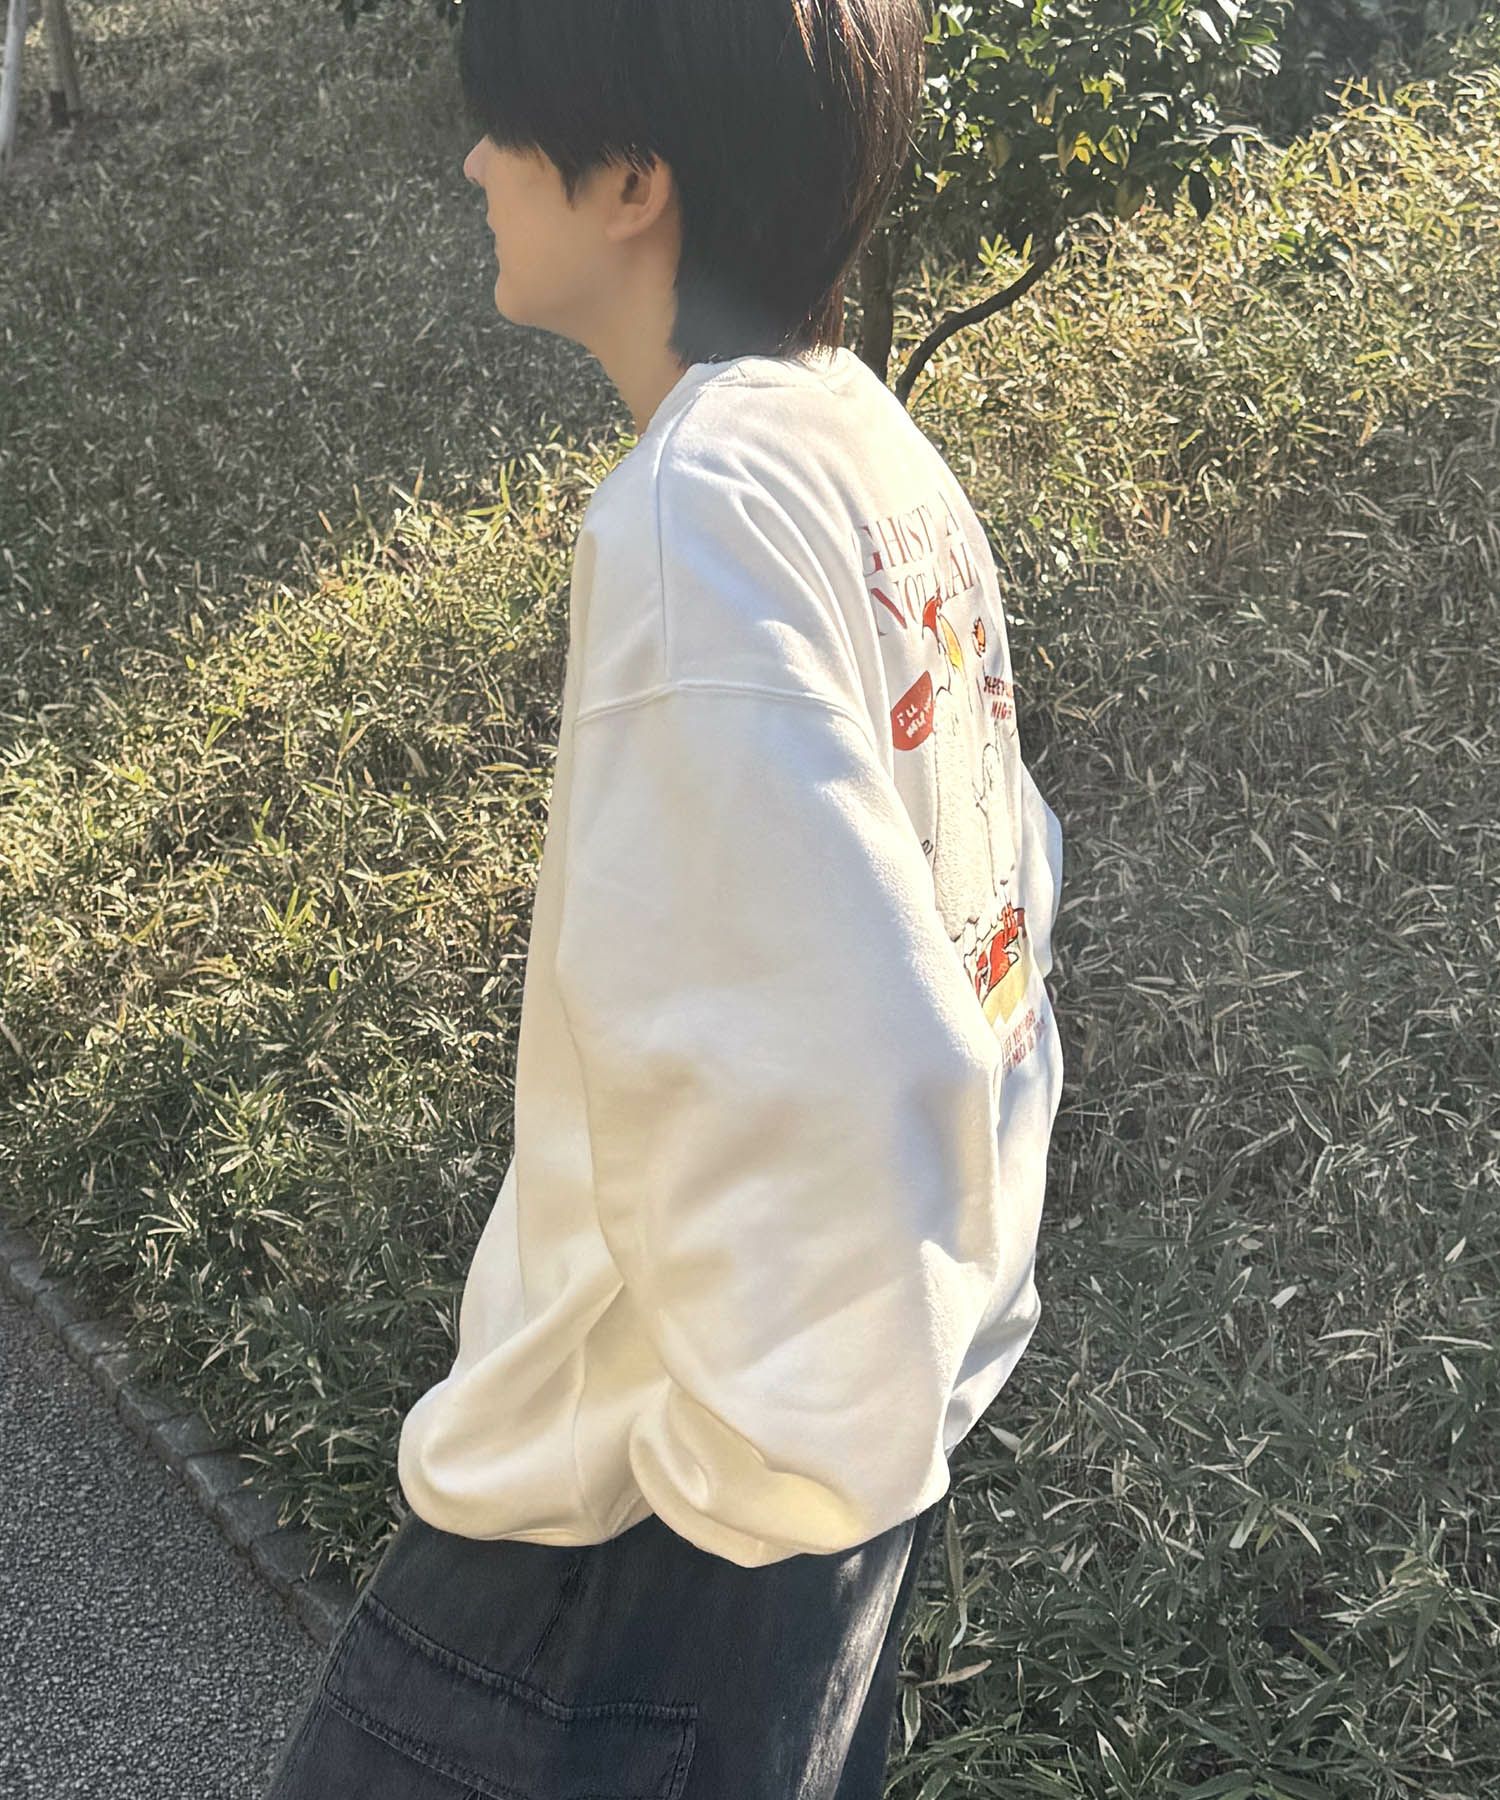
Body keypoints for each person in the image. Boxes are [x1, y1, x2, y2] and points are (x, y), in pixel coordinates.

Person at [262, 1, 1065, 1795]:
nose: (474, 160)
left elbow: (834, 1072)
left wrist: (747, 1496)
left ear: (633, 177)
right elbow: (1004, 930)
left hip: (625, 1560)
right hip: (813, 1534)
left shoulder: (698, 509)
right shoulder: (870, 455)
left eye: (508, 122)